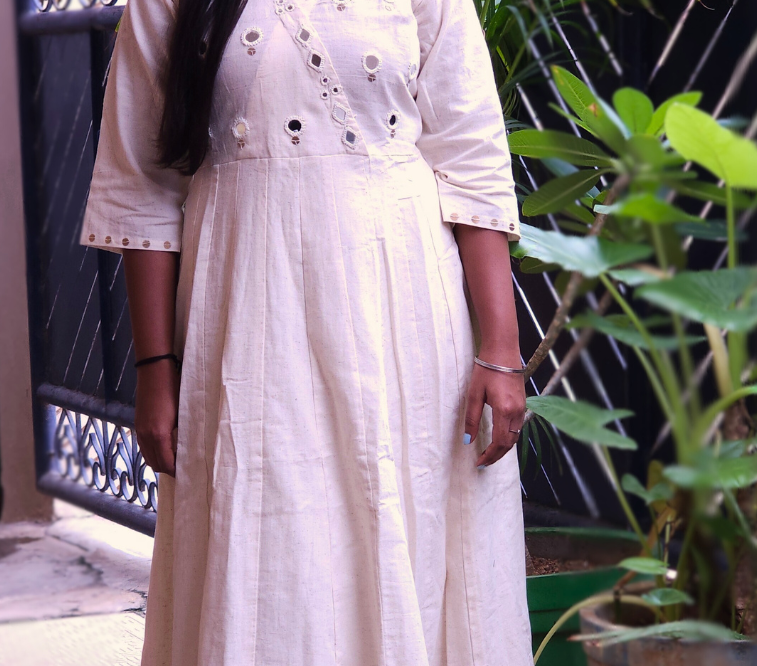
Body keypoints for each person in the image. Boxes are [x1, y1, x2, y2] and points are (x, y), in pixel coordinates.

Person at [79, 0, 532, 662]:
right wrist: (155, 371)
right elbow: (141, 189)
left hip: (402, 312)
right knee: (264, 536)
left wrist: (501, 351)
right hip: (242, 314)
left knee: (407, 521)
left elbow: (471, 156)